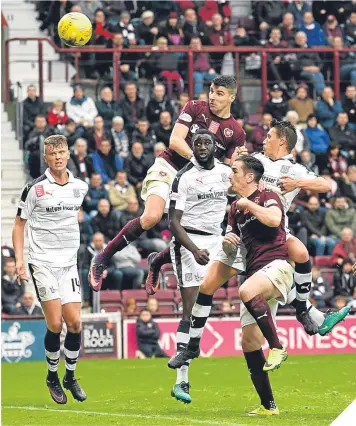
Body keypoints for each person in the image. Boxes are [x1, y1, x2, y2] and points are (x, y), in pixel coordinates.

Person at [88, 76, 246, 294]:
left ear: (232, 97)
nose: (212, 97)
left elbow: (229, 173)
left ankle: (156, 262)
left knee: (191, 232)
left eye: (219, 93)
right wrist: (200, 160)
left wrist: (240, 163)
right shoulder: (194, 107)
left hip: (196, 182)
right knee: (151, 217)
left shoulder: (236, 133)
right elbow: (175, 141)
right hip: (169, 167)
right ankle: (102, 257)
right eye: (211, 91)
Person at [168, 155, 293, 415]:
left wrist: (250, 203)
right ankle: (269, 406)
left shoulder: (267, 195)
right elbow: (230, 237)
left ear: (250, 177)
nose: (229, 174)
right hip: (254, 273)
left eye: (235, 171)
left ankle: (279, 348)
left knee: (245, 291)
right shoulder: (236, 207)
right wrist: (228, 240)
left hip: (278, 267)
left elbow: (273, 219)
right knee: (248, 343)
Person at [235, 120, 349, 335]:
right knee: (278, 277)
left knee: (301, 253)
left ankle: (303, 308)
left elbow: (327, 185)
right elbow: (234, 177)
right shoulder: (256, 159)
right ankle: (305, 310)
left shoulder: (295, 169)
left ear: (282, 141)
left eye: (269, 136)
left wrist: (297, 184)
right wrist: (239, 160)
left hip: (276, 228)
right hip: (251, 227)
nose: (264, 140)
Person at [12, 134, 88, 404]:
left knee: (76, 323)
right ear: (46, 157)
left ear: (68, 154)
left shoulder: (80, 187)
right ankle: (52, 376)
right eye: (52, 153)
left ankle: (70, 376)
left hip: (68, 264)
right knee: (55, 324)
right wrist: (20, 260)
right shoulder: (35, 189)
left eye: (62, 152)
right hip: (42, 262)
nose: (58, 157)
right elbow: (19, 224)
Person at [168, 130, 232, 403]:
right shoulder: (183, 177)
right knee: (191, 311)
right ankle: (181, 381)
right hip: (189, 243)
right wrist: (194, 250)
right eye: (197, 144)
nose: (202, 147)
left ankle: (306, 310)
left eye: (207, 143)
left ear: (215, 146)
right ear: (192, 148)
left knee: (258, 276)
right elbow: (173, 222)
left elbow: (241, 197)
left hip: (219, 241)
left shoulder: (227, 172)